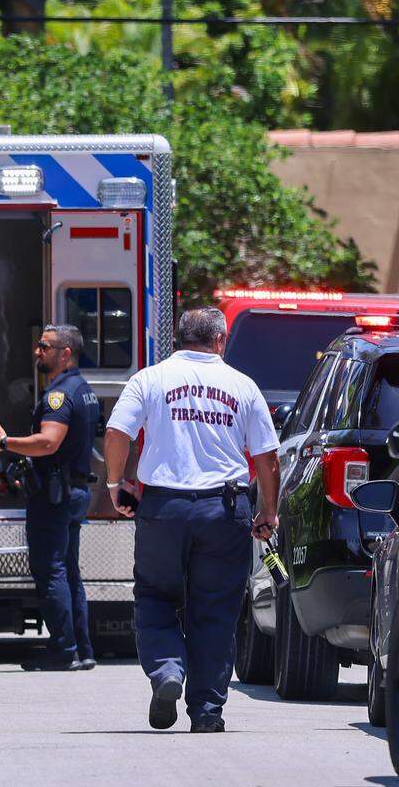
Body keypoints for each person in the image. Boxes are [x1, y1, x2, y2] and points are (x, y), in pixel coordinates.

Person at [104, 307, 281, 732]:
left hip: (163, 507)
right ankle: (206, 711)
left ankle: (167, 672)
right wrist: (268, 512)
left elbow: (116, 434)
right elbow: (267, 458)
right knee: (216, 610)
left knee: (155, 596)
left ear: (178, 340)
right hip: (224, 510)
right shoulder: (243, 386)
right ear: (220, 340)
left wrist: (116, 484)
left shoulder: (149, 379)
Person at [0, 324, 99, 672]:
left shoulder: (59, 395)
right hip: (72, 490)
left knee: (50, 570)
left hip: (55, 495)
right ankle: (82, 649)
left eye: (45, 346)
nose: (38, 351)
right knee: (68, 572)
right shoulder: (84, 389)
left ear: (65, 353)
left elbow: (48, 442)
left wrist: (6, 443)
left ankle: (63, 649)